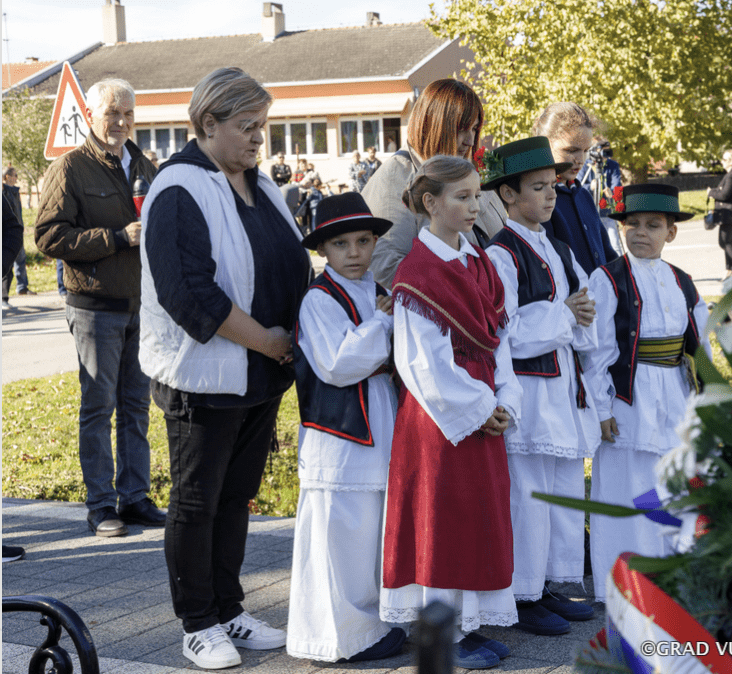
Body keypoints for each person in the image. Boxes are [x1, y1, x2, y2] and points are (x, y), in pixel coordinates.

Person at [139, 67, 311, 669]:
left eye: (262, 126)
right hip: (205, 378)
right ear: (207, 123)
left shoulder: (257, 185)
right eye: (248, 127)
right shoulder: (179, 187)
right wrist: (265, 339)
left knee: (236, 498)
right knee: (196, 502)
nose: (260, 138)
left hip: (261, 373)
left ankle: (229, 609)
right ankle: (196, 623)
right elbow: (190, 294)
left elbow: (291, 261)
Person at [380, 155, 521, 670]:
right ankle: (442, 628)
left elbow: (500, 339)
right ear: (430, 203)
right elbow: (420, 363)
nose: (473, 205)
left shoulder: (481, 262)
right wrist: (481, 407)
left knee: (478, 514)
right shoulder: (417, 272)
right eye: (460, 196)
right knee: (442, 518)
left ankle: (472, 621)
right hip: (441, 421)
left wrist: (505, 399)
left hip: (483, 406)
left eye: (477, 194)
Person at [35, 78, 164, 538]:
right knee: (98, 407)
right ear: (91, 115)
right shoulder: (70, 167)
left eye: (128, 113)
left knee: (136, 407)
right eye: (112, 113)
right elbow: (48, 236)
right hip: (94, 306)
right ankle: (100, 505)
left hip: (140, 305)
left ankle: (135, 498)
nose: (121, 122)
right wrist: (114, 238)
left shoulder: (144, 165)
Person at [482, 137, 600, 635]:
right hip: (530, 391)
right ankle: (521, 593)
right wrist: (563, 316)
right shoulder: (502, 254)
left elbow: (582, 305)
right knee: (528, 493)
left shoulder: (557, 246)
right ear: (508, 195)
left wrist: (580, 316)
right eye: (537, 187)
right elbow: (504, 329)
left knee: (560, 487)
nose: (551, 197)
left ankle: (552, 581)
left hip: (562, 388)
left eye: (552, 186)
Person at [286, 193, 406, 663]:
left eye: (364, 240)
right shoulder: (319, 300)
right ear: (323, 250)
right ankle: (336, 639)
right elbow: (338, 363)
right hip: (337, 437)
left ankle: (370, 627)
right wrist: (384, 323)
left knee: (368, 533)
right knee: (338, 537)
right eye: (341, 244)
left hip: (379, 421)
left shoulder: (376, 288)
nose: (354, 252)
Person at [582, 183, 710, 603]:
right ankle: (624, 579)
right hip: (629, 396)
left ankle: (674, 569)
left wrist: (709, 399)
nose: (641, 232)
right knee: (628, 482)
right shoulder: (608, 279)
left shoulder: (683, 282)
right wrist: (602, 407)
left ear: (670, 232)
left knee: (674, 479)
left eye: (653, 225)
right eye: (631, 224)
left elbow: (702, 342)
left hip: (674, 390)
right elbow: (596, 350)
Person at [364, 78, 506, 287]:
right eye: (461, 128)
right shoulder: (397, 177)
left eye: (475, 129)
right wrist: (456, 294)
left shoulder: (468, 172)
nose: (469, 139)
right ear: (433, 125)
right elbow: (386, 266)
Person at [533, 102, 618, 273]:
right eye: (571, 150)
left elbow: (607, 254)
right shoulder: (541, 201)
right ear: (545, 145)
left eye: (586, 150)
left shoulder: (584, 196)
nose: (580, 159)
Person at [707, 149, 732, 279]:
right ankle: (729, 270)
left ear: (731, 161)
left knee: (725, 243)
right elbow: (723, 192)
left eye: (724, 159)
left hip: (730, 215)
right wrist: (715, 191)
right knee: (727, 242)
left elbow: (724, 195)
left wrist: (710, 193)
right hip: (728, 214)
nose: (721, 162)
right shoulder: (731, 175)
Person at [2, 167, 32, 309]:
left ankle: (22, 287)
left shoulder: (15, 192)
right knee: (7, 268)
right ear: (7, 176)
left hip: (16, 232)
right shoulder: (5, 192)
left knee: (20, 261)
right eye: (15, 175)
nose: (17, 178)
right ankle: (3, 298)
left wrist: (18, 230)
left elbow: (16, 216)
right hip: (7, 236)